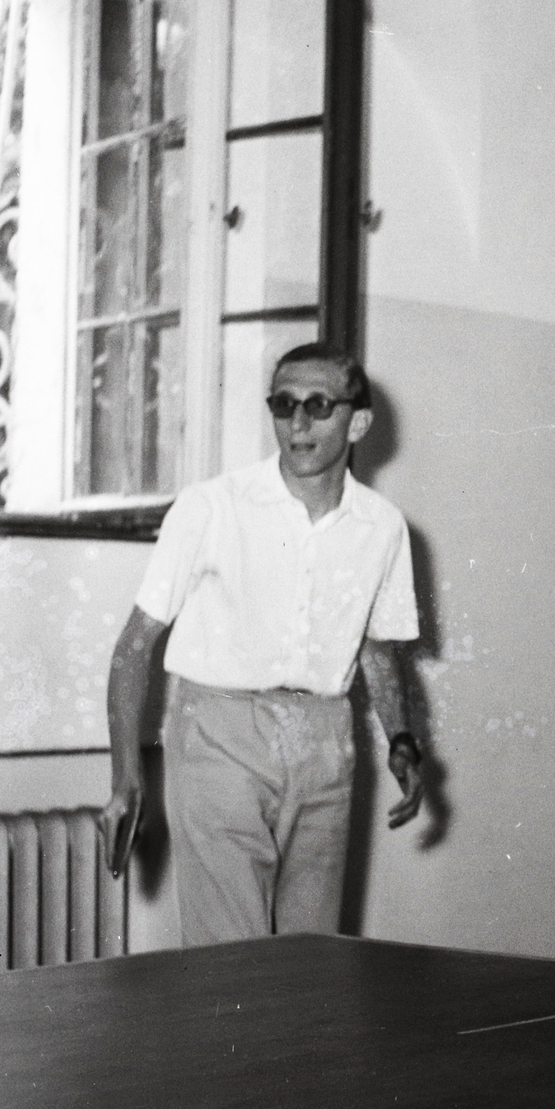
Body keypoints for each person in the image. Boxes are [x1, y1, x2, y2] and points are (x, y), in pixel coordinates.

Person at [103, 342, 425, 946]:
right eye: (283, 404)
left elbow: (379, 651)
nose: (297, 423)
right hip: (218, 733)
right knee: (232, 959)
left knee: (311, 955)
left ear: (358, 421)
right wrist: (126, 775)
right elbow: (133, 648)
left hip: (326, 739)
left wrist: (401, 740)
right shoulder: (212, 507)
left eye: (317, 405)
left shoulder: (383, 527)